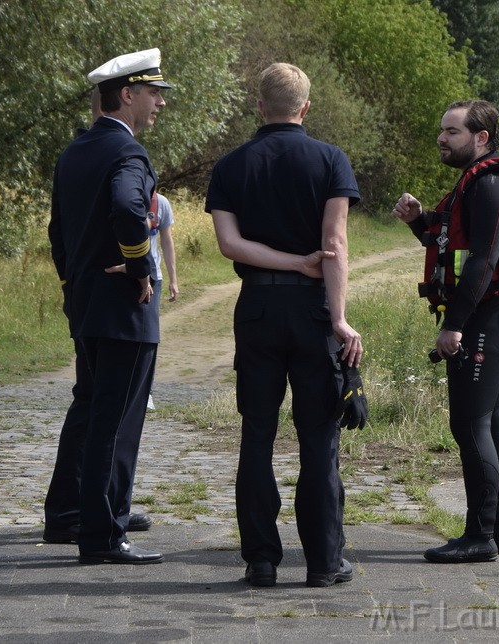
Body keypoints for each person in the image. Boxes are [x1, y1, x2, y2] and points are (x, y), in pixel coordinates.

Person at [205, 62, 364, 589]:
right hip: (313, 312)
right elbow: (335, 245)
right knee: (318, 438)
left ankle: (261, 559)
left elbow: (230, 245)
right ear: (306, 107)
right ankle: (322, 562)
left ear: (259, 106)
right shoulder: (330, 160)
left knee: (257, 435)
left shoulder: (231, 165)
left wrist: (284, 262)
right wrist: (338, 317)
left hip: (256, 311)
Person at [46, 48, 171, 565]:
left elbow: (59, 233)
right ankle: (103, 533)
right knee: (116, 420)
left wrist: (74, 281)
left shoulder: (76, 150)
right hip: (122, 306)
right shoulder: (128, 154)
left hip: (87, 301)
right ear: (127, 94)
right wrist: (140, 266)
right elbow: (126, 208)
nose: (159, 104)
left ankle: (72, 514)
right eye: (153, 93)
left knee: (91, 406)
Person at [392, 99, 499, 564]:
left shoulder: (490, 185)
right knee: (493, 423)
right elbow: (451, 242)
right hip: (493, 315)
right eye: (442, 130)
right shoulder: (476, 183)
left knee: (470, 425)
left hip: (487, 317)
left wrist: (454, 325)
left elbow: (483, 262)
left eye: (451, 131)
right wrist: (417, 222)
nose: (441, 138)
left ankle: (480, 536)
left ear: (481, 137)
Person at [145, 192, 179, 410]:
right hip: (118, 275)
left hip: (152, 277)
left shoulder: (161, 203)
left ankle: (146, 392)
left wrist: (173, 279)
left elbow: (166, 241)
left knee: (149, 335)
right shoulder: (118, 197)